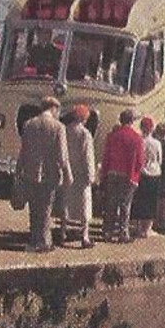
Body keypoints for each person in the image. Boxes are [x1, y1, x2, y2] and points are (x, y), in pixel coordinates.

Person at [15, 96, 71, 253]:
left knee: (34, 208)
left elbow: (23, 150)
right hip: (50, 173)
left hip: (31, 171)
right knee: (46, 208)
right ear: (53, 108)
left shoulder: (29, 124)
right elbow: (62, 155)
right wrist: (67, 174)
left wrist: (19, 169)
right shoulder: (58, 127)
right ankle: (44, 242)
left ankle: (34, 239)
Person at [100, 109, 145, 243]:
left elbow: (106, 156)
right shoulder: (136, 138)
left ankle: (107, 231)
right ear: (131, 121)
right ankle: (123, 232)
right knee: (125, 205)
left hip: (113, 172)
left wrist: (104, 174)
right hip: (128, 174)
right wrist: (137, 174)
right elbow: (140, 161)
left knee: (111, 203)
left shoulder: (112, 136)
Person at [55, 105, 96, 248]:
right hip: (81, 173)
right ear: (84, 118)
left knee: (65, 202)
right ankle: (84, 236)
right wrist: (91, 175)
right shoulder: (85, 134)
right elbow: (88, 156)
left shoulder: (65, 131)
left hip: (67, 171)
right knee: (84, 205)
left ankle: (62, 231)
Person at [131, 117, 162, 239]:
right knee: (151, 201)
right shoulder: (156, 143)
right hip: (154, 172)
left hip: (142, 172)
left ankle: (138, 228)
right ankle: (147, 228)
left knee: (140, 200)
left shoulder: (139, 141)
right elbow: (159, 159)